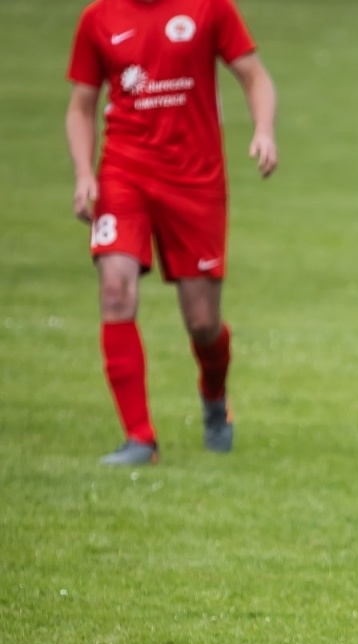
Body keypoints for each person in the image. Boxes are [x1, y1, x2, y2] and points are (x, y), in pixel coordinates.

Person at [66, 0, 278, 465]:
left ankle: (214, 398)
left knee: (202, 323)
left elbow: (255, 76)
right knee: (115, 290)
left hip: (195, 181)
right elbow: (81, 106)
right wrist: (85, 173)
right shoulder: (97, 18)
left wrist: (263, 130)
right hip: (124, 174)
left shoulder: (209, 8)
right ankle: (140, 438)